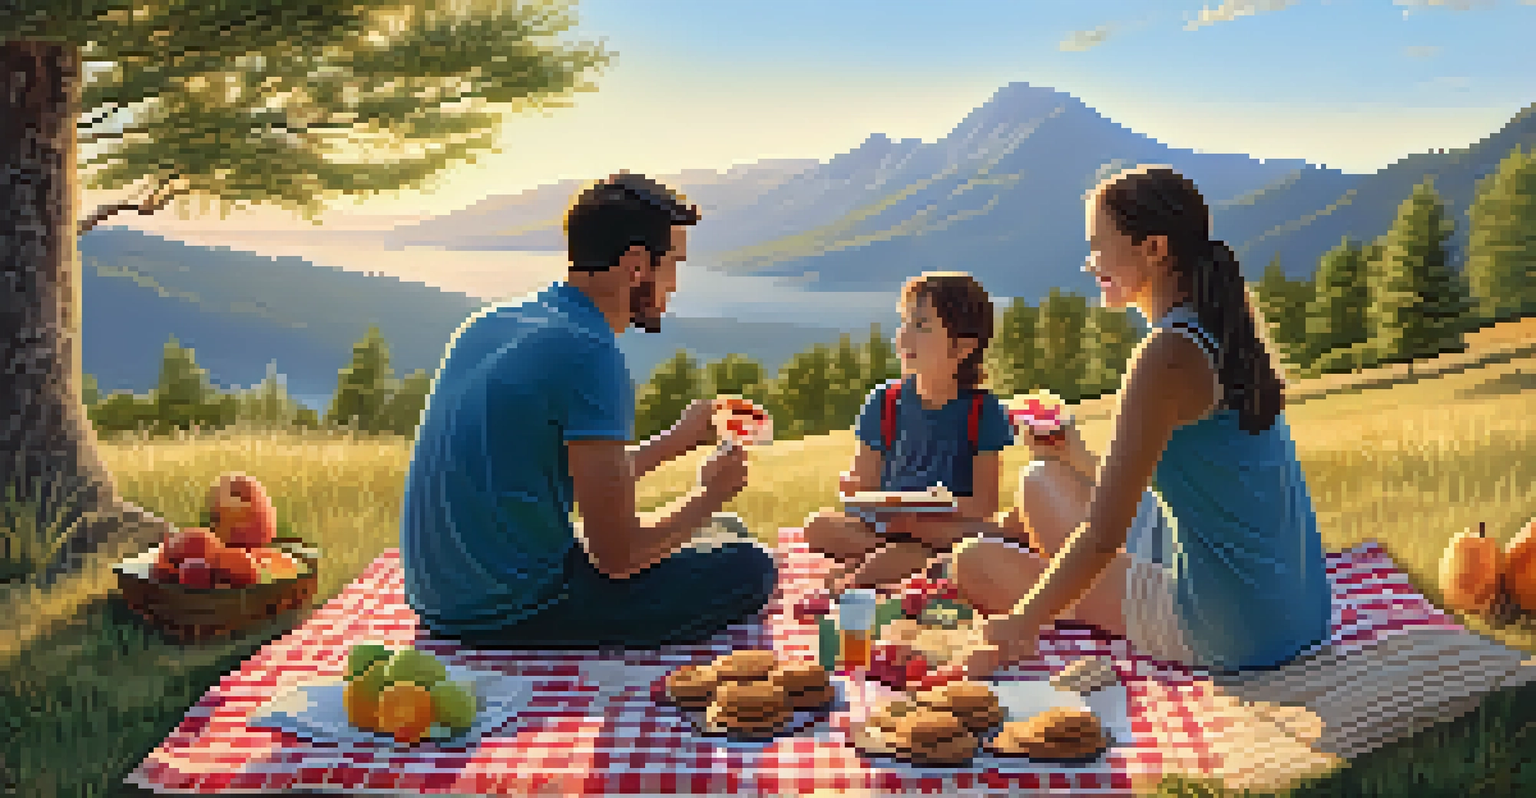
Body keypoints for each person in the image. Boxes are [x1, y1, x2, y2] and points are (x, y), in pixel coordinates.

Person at [955, 165, 1332, 678]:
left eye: (1098, 245)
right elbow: (1166, 489)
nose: (1090, 264)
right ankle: (1058, 569)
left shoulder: (1166, 355)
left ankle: (1067, 595)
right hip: (1301, 613)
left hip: (1232, 631)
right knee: (1043, 478)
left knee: (977, 564)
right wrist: (1075, 455)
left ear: (1153, 249)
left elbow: (1103, 534)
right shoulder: (1215, 329)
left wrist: (1023, 623)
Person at [399, 172, 778, 649]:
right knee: (750, 565)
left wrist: (679, 439)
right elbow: (615, 556)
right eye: (674, 265)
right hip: (513, 608)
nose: (675, 285)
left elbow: (574, 481)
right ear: (637, 266)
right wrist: (708, 494)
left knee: (725, 532)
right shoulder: (588, 350)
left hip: (440, 597)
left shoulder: (488, 323)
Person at [803, 272, 1024, 594]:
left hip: (944, 528)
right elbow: (865, 487)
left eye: (921, 325)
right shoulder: (884, 401)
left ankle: (878, 569)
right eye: (905, 322)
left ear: (962, 347)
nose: (905, 336)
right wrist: (853, 489)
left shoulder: (983, 410)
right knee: (818, 527)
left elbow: (983, 504)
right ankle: (918, 564)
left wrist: (922, 521)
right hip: (887, 528)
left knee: (985, 531)